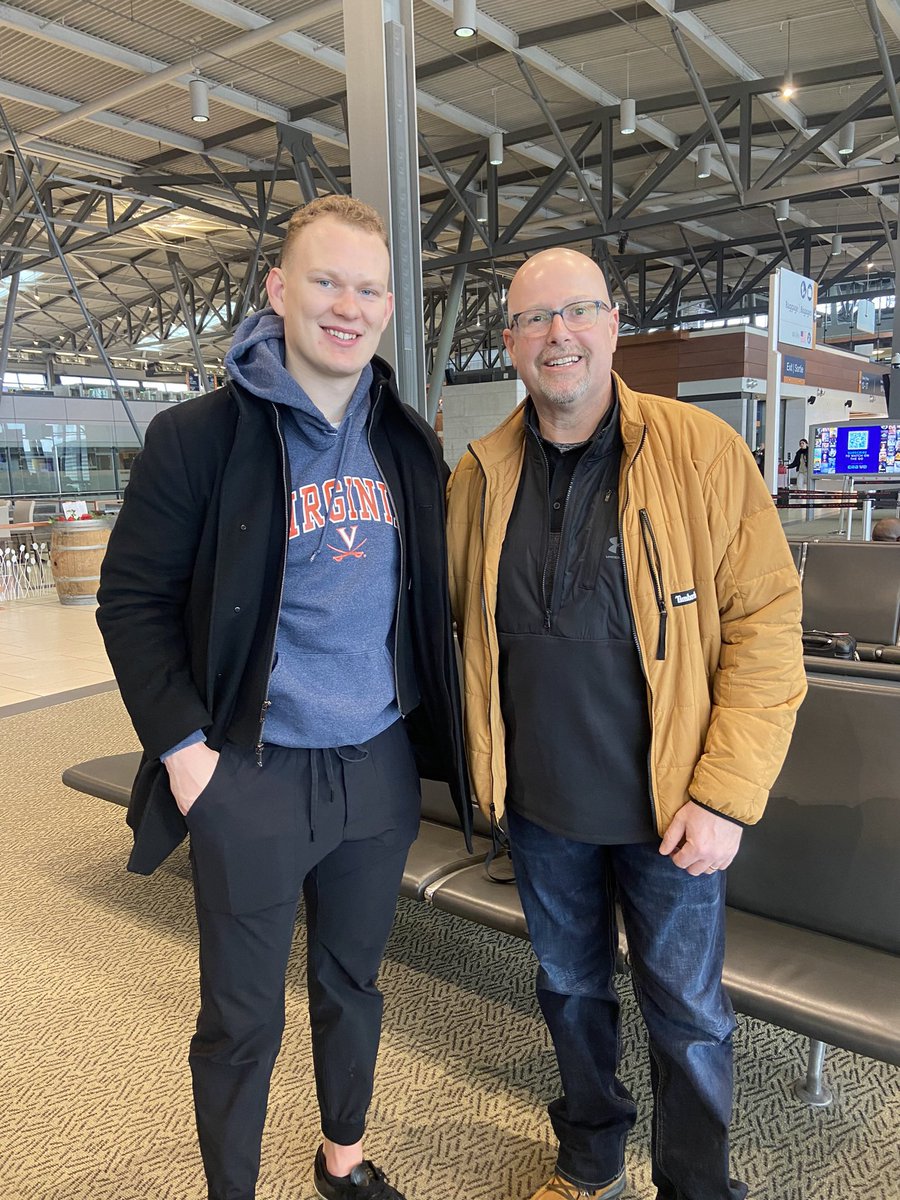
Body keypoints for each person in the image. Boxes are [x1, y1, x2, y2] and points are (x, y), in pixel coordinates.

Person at [97, 194, 470, 1200]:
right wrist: (185, 754)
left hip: (377, 771)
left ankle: (341, 1162)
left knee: (352, 984)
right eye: (325, 280)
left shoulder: (403, 442)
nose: (347, 306)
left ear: (391, 305)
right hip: (249, 772)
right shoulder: (200, 438)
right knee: (242, 1016)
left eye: (369, 288)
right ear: (279, 289)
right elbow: (129, 601)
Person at [446, 248, 806, 1200]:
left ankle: (696, 1188)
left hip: (673, 811)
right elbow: (457, 627)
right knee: (568, 994)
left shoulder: (700, 453)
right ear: (513, 344)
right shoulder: (480, 476)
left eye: (577, 312)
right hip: (540, 808)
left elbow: (769, 629)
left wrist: (725, 795)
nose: (557, 334)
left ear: (611, 326)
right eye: (533, 319)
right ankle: (590, 1155)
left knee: (686, 1014)